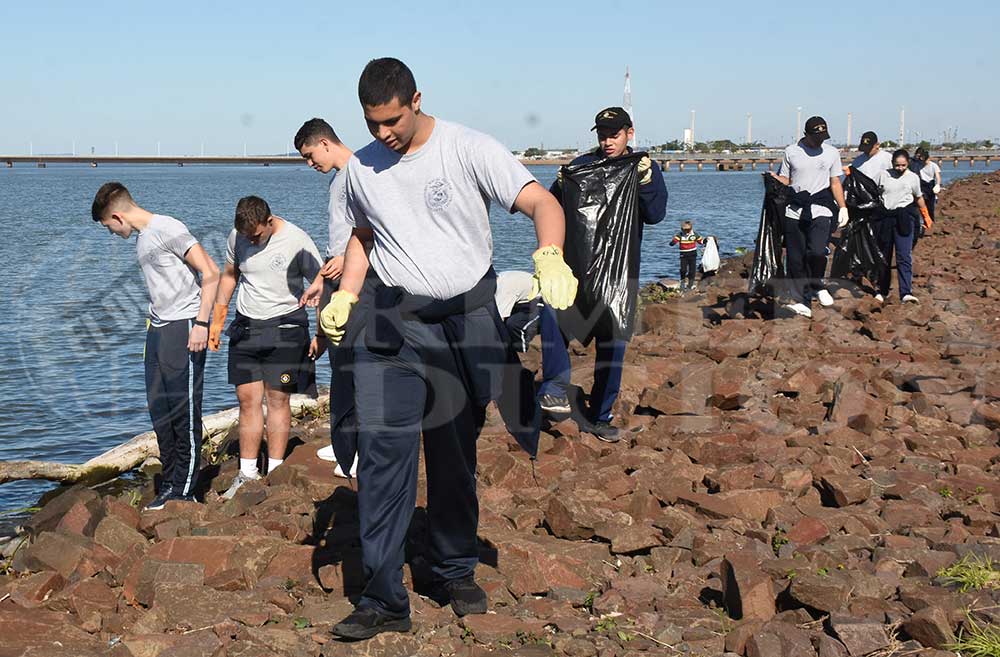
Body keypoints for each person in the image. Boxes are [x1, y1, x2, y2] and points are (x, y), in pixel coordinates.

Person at [318, 57, 577, 640]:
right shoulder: (360, 169)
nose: (383, 133)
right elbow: (363, 235)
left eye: (391, 120)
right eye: (372, 123)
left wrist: (549, 254)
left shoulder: (467, 148)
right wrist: (348, 294)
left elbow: (543, 202)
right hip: (392, 325)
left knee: (453, 454)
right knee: (382, 458)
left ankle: (453, 568)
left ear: (416, 100)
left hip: (464, 323)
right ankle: (383, 597)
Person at [538, 106, 667, 441]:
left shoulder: (641, 167)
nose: (608, 142)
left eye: (615, 135)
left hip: (619, 272)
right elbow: (550, 208)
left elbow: (655, 214)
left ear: (629, 133)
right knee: (553, 313)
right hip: (577, 267)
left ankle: (600, 416)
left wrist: (646, 181)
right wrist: (560, 186)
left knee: (613, 343)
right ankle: (554, 388)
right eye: (603, 135)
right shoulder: (582, 166)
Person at [90, 182, 219, 509]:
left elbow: (211, 272)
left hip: (185, 325)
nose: (111, 234)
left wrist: (202, 324)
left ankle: (185, 491)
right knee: (160, 412)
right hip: (158, 329)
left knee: (183, 412)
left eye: (108, 227)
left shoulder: (167, 228)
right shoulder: (143, 237)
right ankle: (171, 483)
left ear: (118, 217)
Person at [208, 196, 323, 499]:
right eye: (247, 236)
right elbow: (230, 275)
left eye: (256, 235)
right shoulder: (238, 236)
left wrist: (322, 333)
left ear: (269, 222)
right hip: (246, 328)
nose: (251, 241)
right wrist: (217, 320)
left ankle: (275, 470)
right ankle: (247, 473)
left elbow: (322, 284)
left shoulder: (297, 240)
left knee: (277, 399)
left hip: (286, 328)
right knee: (247, 400)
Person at [294, 117, 357, 474]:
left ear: (325, 143)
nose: (309, 163)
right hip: (337, 275)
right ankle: (344, 440)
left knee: (355, 363)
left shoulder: (360, 173)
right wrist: (321, 278)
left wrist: (348, 260)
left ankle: (358, 449)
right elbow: (339, 240)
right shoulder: (338, 180)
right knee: (338, 363)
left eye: (309, 155)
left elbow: (376, 231)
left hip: (358, 279)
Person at [770, 116, 849, 319]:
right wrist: (773, 179)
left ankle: (817, 285)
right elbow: (786, 179)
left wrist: (843, 207)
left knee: (816, 252)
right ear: (806, 134)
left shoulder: (831, 153)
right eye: (816, 137)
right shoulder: (791, 151)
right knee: (796, 259)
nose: (820, 140)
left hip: (821, 207)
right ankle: (802, 301)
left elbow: (835, 182)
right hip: (795, 209)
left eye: (823, 136)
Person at [872, 149, 933, 303]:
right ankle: (882, 290)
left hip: (905, 218)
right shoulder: (883, 175)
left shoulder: (913, 177)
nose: (900, 168)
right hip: (886, 218)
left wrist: (925, 215)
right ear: (892, 163)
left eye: (903, 165)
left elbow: (918, 198)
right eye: (897, 165)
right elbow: (871, 192)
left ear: (908, 163)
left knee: (904, 256)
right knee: (884, 256)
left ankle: (906, 292)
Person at [670, 220, 705, 291]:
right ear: (682, 229)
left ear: (691, 229)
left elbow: (701, 242)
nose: (687, 232)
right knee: (683, 270)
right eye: (685, 230)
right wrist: (673, 242)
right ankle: (682, 282)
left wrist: (707, 240)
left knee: (692, 270)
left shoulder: (694, 234)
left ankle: (690, 285)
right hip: (683, 254)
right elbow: (673, 243)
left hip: (693, 254)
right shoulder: (680, 235)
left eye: (688, 230)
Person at [911, 146, 942, 221]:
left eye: (925, 160)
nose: (924, 162)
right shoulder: (918, 165)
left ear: (928, 159)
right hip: (922, 185)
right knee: (921, 205)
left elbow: (938, 176)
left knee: (930, 206)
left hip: (930, 185)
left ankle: (931, 221)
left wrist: (938, 185)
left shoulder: (933, 165)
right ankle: (922, 221)